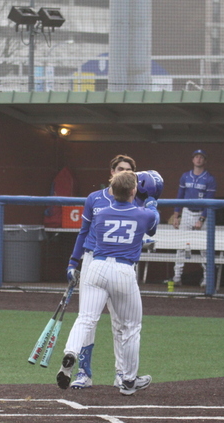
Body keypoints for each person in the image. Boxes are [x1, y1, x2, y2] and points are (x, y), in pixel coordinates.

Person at [58, 170, 160, 396]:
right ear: (133, 191)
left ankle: (71, 353)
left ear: (112, 191)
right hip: (123, 270)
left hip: (97, 267)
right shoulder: (144, 214)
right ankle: (128, 381)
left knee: (86, 318)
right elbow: (153, 225)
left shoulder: (101, 213)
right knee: (131, 327)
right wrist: (152, 202)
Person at [64, 154, 137, 389]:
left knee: (120, 321)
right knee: (89, 319)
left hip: (122, 264)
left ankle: (121, 373)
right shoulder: (95, 199)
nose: (123, 173)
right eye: (120, 169)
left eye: (129, 170)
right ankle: (83, 373)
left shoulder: (137, 200)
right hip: (92, 259)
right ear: (112, 172)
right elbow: (83, 232)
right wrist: (73, 262)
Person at [168, 149, 217, 287]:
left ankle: (208, 279)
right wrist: (176, 215)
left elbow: (210, 201)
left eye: (201, 157)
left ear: (205, 161)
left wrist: (201, 219)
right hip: (187, 212)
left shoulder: (210, 178)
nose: (199, 159)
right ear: (192, 159)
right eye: (196, 157)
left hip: (202, 214)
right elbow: (180, 195)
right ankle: (177, 276)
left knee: (205, 248)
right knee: (181, 246)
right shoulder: (185, 176)